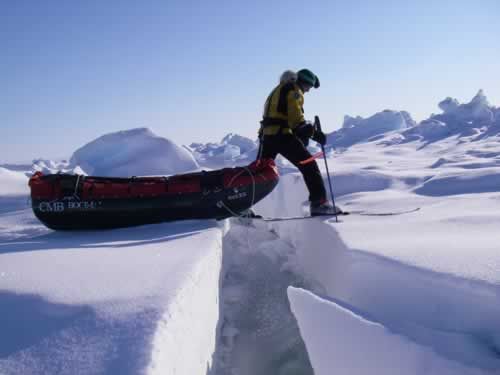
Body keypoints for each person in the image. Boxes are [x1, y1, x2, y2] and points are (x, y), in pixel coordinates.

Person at [257, 69, 342, 215]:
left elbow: (280, 115)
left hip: (267, 136)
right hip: (282, 136)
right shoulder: (294, 91)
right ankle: (319, 204)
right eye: (309, 87)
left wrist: (304, 133)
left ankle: (242, 205)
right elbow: (296, 120)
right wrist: (315, 134)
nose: (308, 91)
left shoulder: (278, 89)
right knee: (309, 165)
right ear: (304, 82)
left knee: (260, 171)